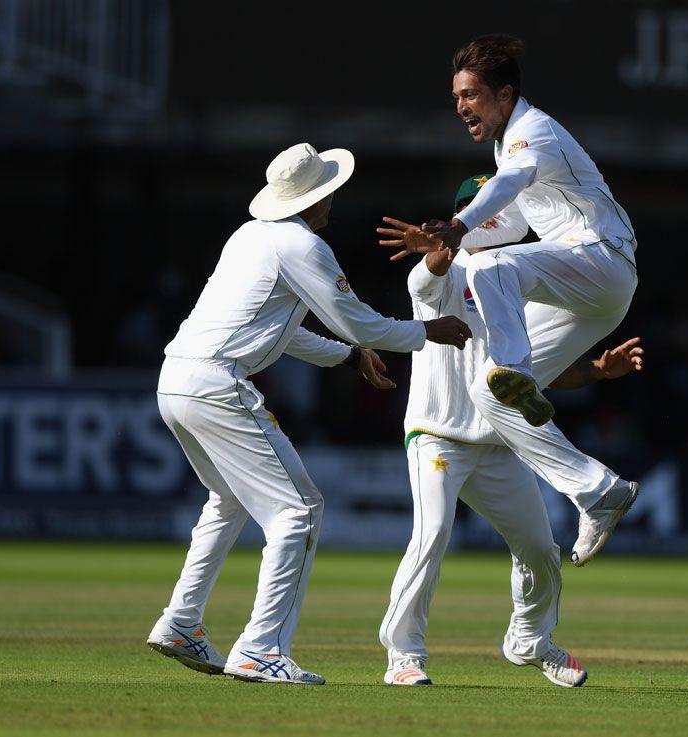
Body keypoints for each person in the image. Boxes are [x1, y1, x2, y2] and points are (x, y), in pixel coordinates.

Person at [147, 143, 472, 685]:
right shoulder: (303, 246)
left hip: (175, 381)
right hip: (214, 386)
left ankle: (181, 622)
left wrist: (348, 355)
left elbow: (282, 330)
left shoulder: (250, 236)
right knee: (299, 511)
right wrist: (423, 333)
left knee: (228, 500)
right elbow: (358, 321)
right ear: (317, 198)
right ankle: (261, 649)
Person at [378, 35, 641, 567]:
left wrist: (457, 224)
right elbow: (514, 221)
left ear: (505, 95)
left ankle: (513, 366)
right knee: (490, 395)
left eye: (471, 95)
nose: (461, 107)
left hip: (602, 255)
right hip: (593, 295)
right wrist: (449, 241)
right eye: (456, 97)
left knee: (496, 275)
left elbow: (508, 188)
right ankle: (597, 491)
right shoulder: (505, 146)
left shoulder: (532, 130)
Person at [380, 174, 644, 688]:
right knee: (432, 534)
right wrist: (440, 245)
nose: (495, 220)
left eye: (500, 211)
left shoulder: (520, 277)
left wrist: (592, 372)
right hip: (438, 433)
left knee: (540, 550)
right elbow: (431, 270)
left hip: (500, 441)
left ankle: (530, 640)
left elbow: (530, 372)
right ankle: (404, 655)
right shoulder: (435, 274)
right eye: (480, 212)